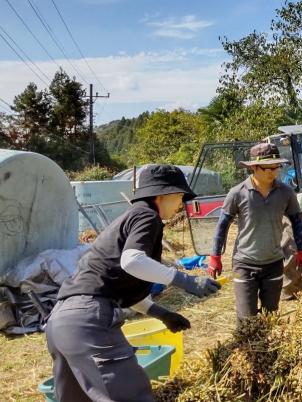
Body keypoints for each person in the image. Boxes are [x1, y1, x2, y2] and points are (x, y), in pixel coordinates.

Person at [45, 165, 221, 402]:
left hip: (61, 321)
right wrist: (185, 280)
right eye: (179, 196)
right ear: (162, 195)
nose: (180, 204)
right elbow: (132, 261)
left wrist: (159, 312)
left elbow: (114, 280)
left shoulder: (127, 219)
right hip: (88, 321)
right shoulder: (147, 215)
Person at [207, 142, 302, 319]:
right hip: (244, 263)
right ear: (254, 167)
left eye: (276, 167)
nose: (272, 171)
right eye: (267, 167)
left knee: (270, 317)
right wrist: (215, 256)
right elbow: (222, 225)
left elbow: (297, 222)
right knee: (247, 320)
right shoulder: (237, 193)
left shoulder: (285, 192)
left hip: (274, 263)